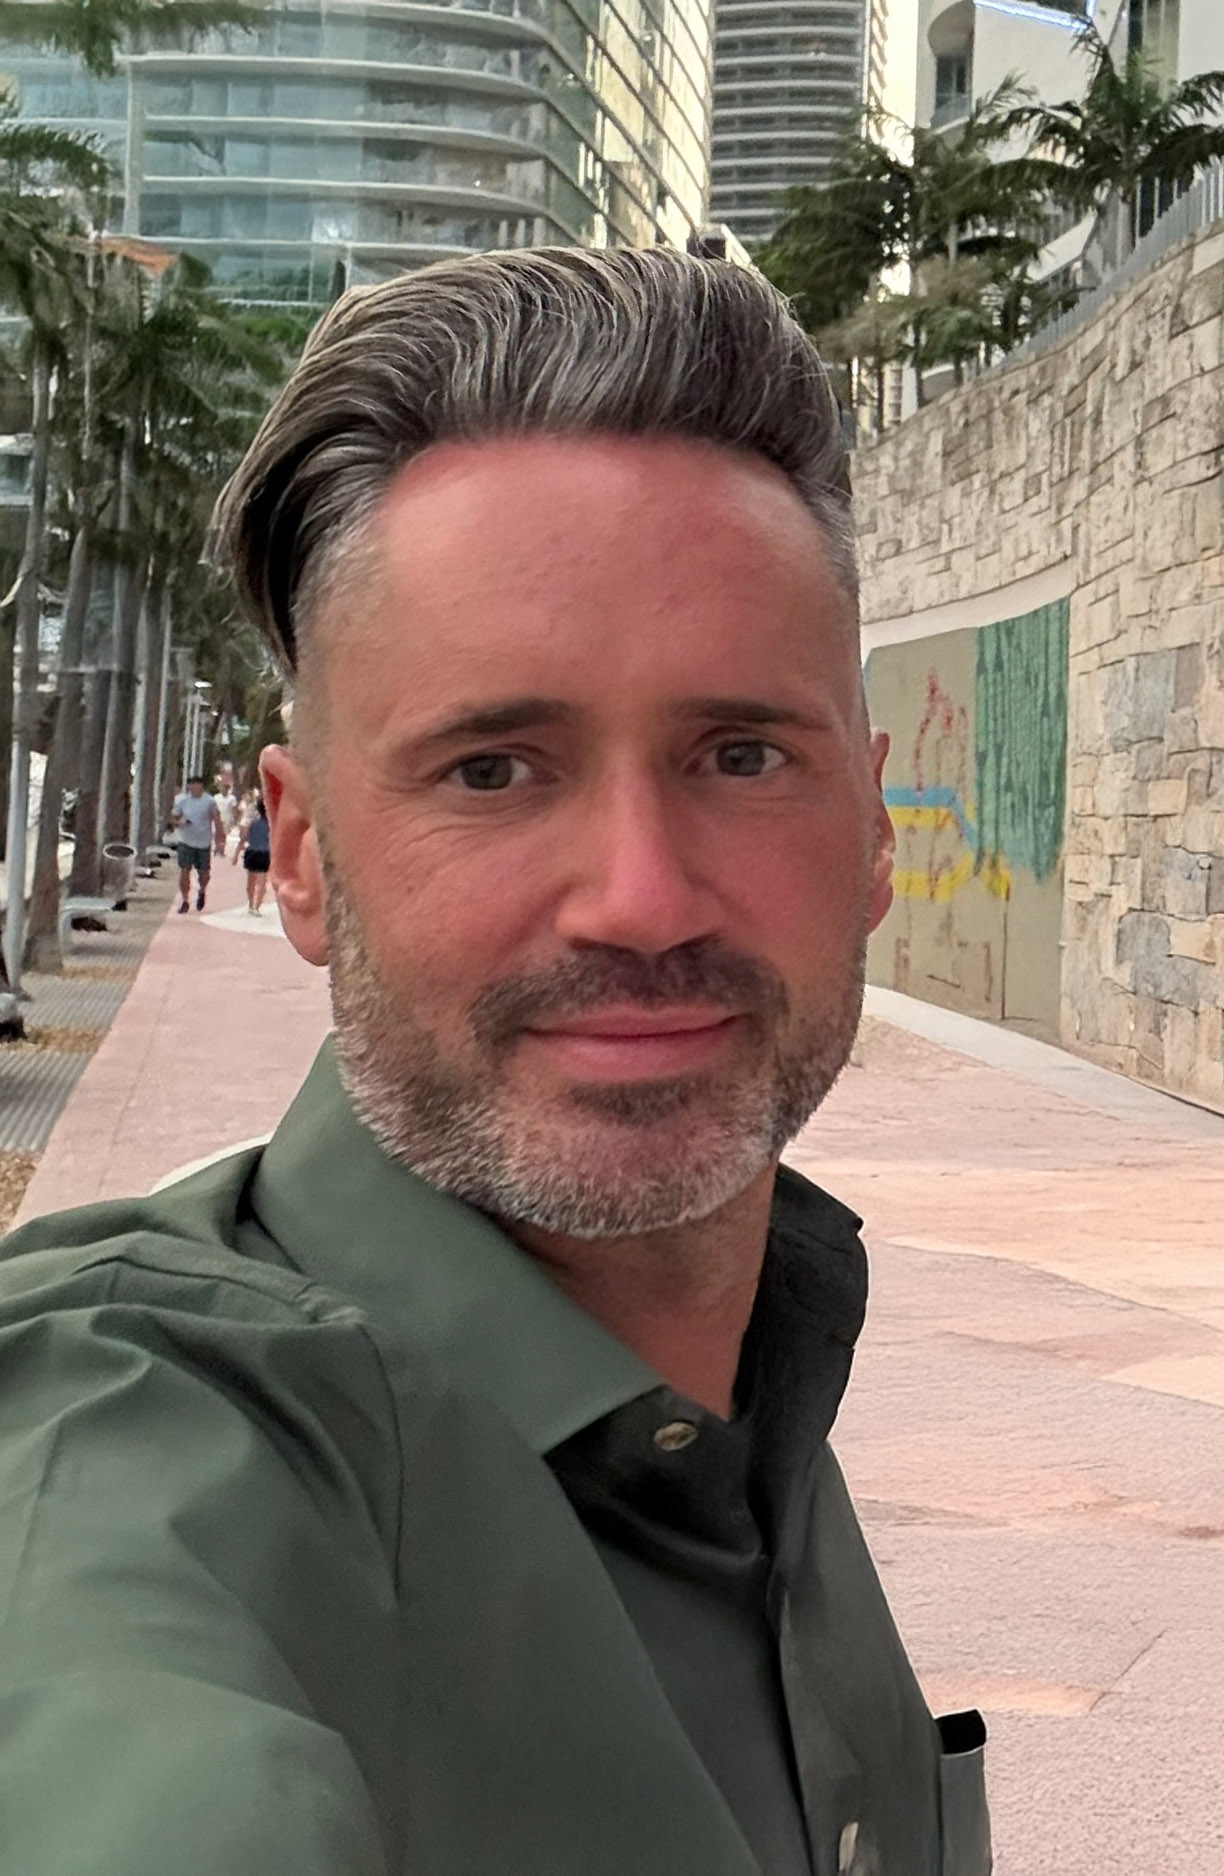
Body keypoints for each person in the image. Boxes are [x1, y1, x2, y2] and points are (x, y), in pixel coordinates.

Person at [0, 251, 991, 1876]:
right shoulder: (121, 1443)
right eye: (491, 769)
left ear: (872, 827)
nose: (642, 898)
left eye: (741, 754)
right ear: (300, 853)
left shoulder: (755, 1383)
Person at [169, 773, 224, 913]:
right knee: (184, 870)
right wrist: (179, 822)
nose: (194, 788)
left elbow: (217, 820)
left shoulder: (209, 801)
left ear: (202, 787)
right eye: (192, 785)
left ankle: (202, 891)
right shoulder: (181, 800)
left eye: (197, 785)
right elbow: (172, 819)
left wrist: (220, 841)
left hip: (203, 842)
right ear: (188, 786)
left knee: (204, 873)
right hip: (185, 841)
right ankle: (185, 900)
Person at [233, 792, 272, 913]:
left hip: (252, 853)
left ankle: (251, 904)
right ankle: (257, 906)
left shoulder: (252, 823)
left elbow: (243, 839)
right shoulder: (272, 825)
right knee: (262, 882)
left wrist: (236, 854)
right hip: (265, 854)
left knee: (251, 881)